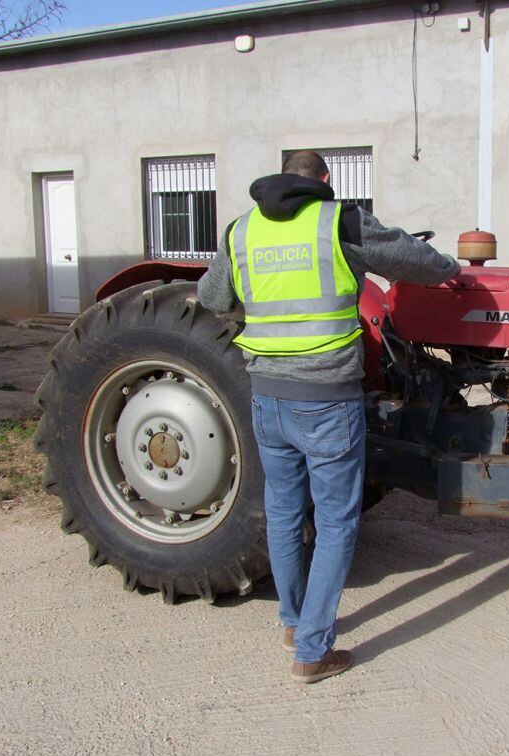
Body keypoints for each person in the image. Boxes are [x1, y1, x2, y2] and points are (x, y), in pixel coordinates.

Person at [197, 150, 460, 683]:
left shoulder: (241, 230)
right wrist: (451, 269)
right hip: (327, 399)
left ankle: (294, 622)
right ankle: (313, 652)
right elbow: (413, 259)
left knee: (286, 512)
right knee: (337, 522)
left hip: (268, 396)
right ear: (324, 180)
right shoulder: (338, 221)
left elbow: (210, 296)